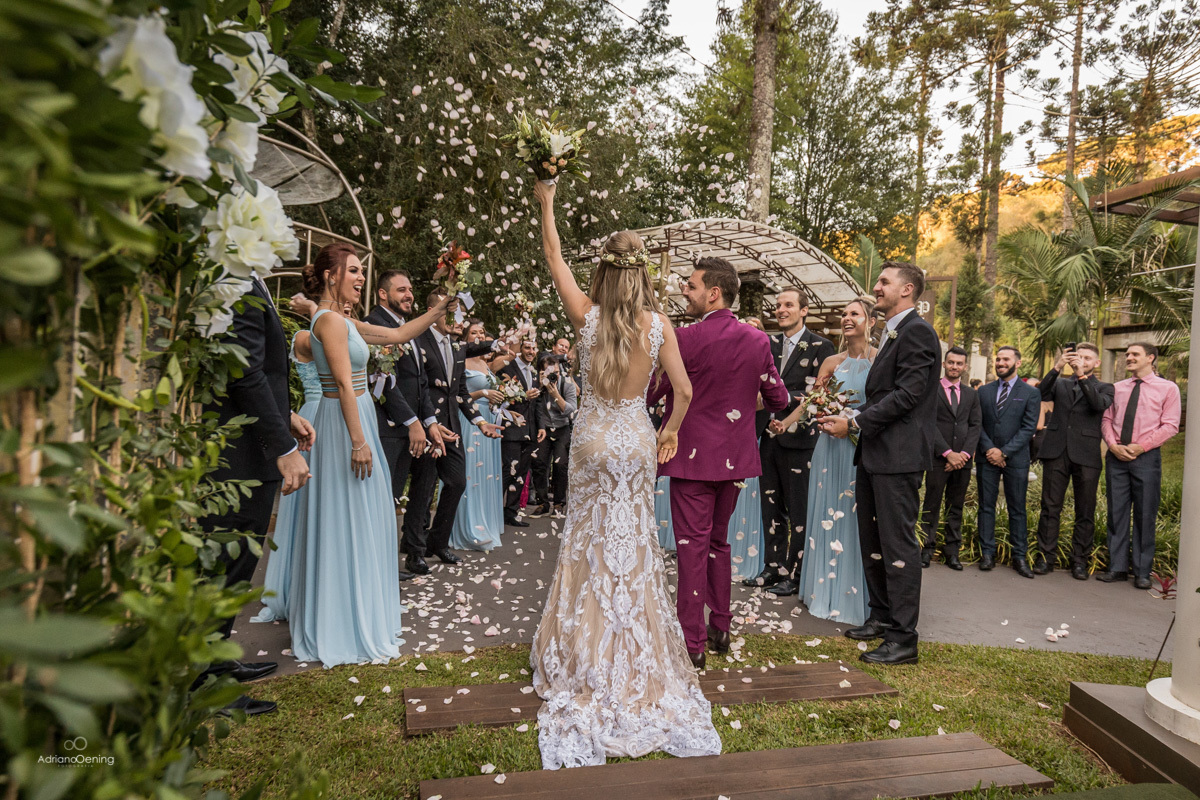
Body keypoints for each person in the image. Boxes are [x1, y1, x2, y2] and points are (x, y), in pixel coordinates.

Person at [529, 179, 721, 770]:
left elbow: (554, 256)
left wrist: (547, 200)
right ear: (641, 276)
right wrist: (669, 432)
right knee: (632, 544)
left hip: (591, 438)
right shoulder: (659, 325)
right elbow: (684, 391)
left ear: (605, 273)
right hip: (636, 440)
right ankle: (637, 652)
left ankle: (583, 649)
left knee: (587, 544)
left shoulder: (585, 316)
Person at [288, 243, 448, 667]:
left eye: (362, 271)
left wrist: (438, 309)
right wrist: (359, 442)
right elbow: (344, 384)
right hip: (346, 424)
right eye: (354, 271)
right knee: (348, 515)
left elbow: (396, 335)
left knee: (362, 515)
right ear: (331, 276)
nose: (361, 278)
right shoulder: (329, 322)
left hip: (356, 419)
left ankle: (359, 608)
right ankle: (343, 620)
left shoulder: (342, 320)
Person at [648, 258, 790, 669]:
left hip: (690, 462)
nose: (685, 291)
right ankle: (721, 627)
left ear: (713, 293)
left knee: (691, 548)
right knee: (718, 543)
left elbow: (652, 394)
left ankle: (692, 643)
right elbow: (779, 399)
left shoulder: (684, 338)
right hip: (734, 462)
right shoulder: (758, 340)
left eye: (691, 286)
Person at [198, 271, 314, 716]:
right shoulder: (235, 280)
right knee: (224, 568)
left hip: (252, 447)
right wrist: (283, 446)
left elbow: (261, 369)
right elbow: (243, 374)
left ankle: (218, 663)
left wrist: (286, 415)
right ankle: (206, 684)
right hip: (239, 455)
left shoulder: (249, 278)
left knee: (238, 565)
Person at [818, 261, 940, 666]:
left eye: (885, 282)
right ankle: (882, 616)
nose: (877, 287)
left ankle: (904, 639)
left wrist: (854, 422)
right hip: (876, 452)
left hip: (899, 457)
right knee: (872, 541)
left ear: (907, 290)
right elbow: (884, 393)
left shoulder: (918, 332)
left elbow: (908, 395)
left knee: (897, 545)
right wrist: (851, 417)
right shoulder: (893, 332)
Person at [775, 298, 876, 625]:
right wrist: (786, 423)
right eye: (844, 313)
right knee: (826, 515)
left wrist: (854, 421)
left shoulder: (879, 359)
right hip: (829, 449)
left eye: (854, 314)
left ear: (871, 321)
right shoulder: (832, 362)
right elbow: (813, 402)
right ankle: (823, 589)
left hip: (859, 448)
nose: (847, 318)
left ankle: (855, 592)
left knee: (855, 517)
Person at [405, 292, 502, 574]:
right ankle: (414, 551)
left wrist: (479, 422)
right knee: (423, 488)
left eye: (458, 312)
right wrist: (427, 423)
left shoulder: (457, 347)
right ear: (433, 310)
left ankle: (438, 541)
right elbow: (418, 388)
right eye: (451, 311)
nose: (457, 319)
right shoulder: (417, 341)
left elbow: (459, 392)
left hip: (453, 427)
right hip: (428, 426)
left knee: (457, 482)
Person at [750, 287, 836, 596]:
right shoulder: (767, 343)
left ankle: (796, 572)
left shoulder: (822, 346)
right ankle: (772, 567)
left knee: (799, 509)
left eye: (788, 304)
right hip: (767, 436)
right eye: (778, 305)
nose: (781, 310)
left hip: (801, 440)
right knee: (770, 506)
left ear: (803, 310)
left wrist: (781, 399)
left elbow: (820, 394)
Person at [252, 328, 324, 624]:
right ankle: (300, 583)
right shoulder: (307, 335)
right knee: (307, 503)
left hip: (335, 415)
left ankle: (325, 580)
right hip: (317, 414)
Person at [1099, 343, 1181, 589]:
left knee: (1145, 514)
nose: (1129, 358)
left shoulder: (1168, 388)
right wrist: (1113, 446)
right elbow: (1106, 419)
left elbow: (1170, 425)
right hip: (1116, 457)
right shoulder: (1117, 388)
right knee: (1116, 513)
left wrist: (1141, 447)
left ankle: (1142, 572)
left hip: (1146, 458)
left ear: (1150, 358)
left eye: (1135, 354)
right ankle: (1117, 568)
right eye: (1127, 354)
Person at [1033, 343, 1114, 580]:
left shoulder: (1105, 387)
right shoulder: (1060, 383)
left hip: (1086, 454)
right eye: (1079, 357)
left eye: (1088, 358)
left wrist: (1081, 376)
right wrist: (1057, 367)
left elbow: (1097, 404)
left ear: (1097, 363)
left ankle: (1080, 561)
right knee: (1050, 508)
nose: (1083, 361)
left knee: (1085, 510)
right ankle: (1045, 557)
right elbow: (1039, 394)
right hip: (1056, 451)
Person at [975, 346, 1041, 578]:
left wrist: (1004, 453)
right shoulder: (984, 391)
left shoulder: (1030, 393)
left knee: (1017, 509)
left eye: (1006, 359)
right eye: (998, 359)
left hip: (1016, 459)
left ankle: (1019, 557)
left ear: (1018, 363)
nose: (1001, 363)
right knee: (986, 506)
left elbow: (1029, 428)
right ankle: (987, 554)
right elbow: (977, 423)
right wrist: (990, 450)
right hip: (986, 457)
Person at [448, 320, 511, 551]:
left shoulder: (485, 362)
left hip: (488, 420)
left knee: (486, 474)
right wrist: (483, 392)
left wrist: (506, 412)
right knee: (470, 473)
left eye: (482, 332)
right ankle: (469, 527)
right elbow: (457, 395)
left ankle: (485, 523)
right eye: (473, 332)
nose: (479, 336)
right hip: (470, 420)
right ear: (465, 337)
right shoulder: (460, 359)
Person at [919, 346, 981, 570]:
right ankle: (926, 550)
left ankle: (952, 552)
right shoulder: (931, 389)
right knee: (932, 505)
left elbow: (975, 425)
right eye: (951, 362)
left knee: (956, 506)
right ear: (944, 364)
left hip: (963, 461)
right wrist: (947, 453)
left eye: (959, 363)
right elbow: (927, 423)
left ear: (965, 367)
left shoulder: (971, 394)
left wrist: (963, 455)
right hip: (938, 459)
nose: (955, 366)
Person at [498, 339, 545, 527]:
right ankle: (494, 511)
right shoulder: (507, 369)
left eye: (534, 348)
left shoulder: (533, 372)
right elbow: (501, 398)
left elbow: (538, 402)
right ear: (520, 349)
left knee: (522, 472)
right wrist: (523, 397)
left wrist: (541, 426)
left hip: (530, 430)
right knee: (508, 470)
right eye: (527, 347)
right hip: (512, 428)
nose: (531, 351)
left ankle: (511, 512)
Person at [529, 351, 578, 517]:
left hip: (562, 428)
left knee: (560, 465)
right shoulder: (536, 384)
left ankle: (558, 504)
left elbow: (571, 411)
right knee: (539, 463)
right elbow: (535, 408)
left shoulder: (567, 384)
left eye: (556, 373)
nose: (553, 376)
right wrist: (540, 387)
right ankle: (542, 502)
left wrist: (555, 394)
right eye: (549, 373)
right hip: (543, 428)